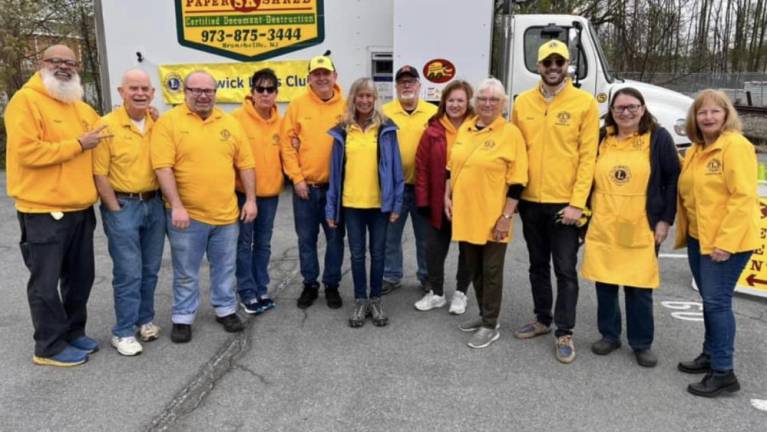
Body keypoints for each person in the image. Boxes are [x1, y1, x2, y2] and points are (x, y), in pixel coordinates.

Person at [5, 44, 106, 366]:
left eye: (70, 62)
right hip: (43, 210)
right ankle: (47, 346)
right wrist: (77, 144)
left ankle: (73, 333)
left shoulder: (77, 105)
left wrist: (147, 115)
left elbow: (106, 131)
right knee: (45, 283)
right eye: (56, 61)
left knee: (80, 278)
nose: (64, 67)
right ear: (41, 63)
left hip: (79, 209)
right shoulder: (26, 101)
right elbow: (27, 152)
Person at [151, 71, 257, 343]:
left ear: (215, 92)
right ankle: (183, 317)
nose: (202, 95)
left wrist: (252, 200)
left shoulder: (229, 123)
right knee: (186, 270)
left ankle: (225, 309)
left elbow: (245, 164)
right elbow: (163, 167)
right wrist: (176, 205)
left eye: (208, 90)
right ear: (184, 92)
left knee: (225, 267)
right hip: (188, 216)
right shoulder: (169, 123)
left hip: (226, 215)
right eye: (196, 90)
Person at [511, 39, 599, 363]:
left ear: (567, 65)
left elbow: (588, 157)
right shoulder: (522, 103)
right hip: (531, 202)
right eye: (547, 63)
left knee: (565, 269)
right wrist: (515, 196)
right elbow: (515, 151)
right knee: (537, 266)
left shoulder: (584, 103)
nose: (553, 68)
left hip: (566, 204)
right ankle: (542, 319)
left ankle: (564, 331)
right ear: (538, 66)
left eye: (558, 62)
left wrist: (578, 203)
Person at [580, 87, 680, 368]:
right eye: (619, 108)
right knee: (606, 283)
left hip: (640, 224)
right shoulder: (602, 138)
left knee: (639, 287)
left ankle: (641, 343)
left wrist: (664, 220)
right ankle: (609, 335)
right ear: (611, 112)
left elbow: (672, 179)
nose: (626, 113)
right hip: (605, 221)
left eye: (632, 107)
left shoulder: (658, 138)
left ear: (643, 108)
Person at [675, 89, 758, 397]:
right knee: (710, 301)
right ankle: (710, 354)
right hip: (700, 237)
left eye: (715, 112)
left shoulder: (735, 146)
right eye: (702, 112)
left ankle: (723, 371)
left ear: (726, 115)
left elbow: (742, 197)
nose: (708, 117)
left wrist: (725, 242)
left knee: (717, 302)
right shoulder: (698, 148)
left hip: (726, 242)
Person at [446, 78, 528, 349]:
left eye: (494, 99)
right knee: (474, 269)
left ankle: (490, 325)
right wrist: (448, 195)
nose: (488, 103)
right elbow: (452, 167)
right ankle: (483, 315)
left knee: (491, 271)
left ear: (504, 103)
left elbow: (518, 181)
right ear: (475, 102)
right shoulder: (467, 128)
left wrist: (506, 216)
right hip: (466, 213)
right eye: (483, 98)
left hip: (494, 217)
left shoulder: (510, 133)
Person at [93, 69, 165, 356]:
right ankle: (122, 332)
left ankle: (144, 320)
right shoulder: (106, 126)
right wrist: (114, 208)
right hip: (123, 206)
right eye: (133, 88)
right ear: (121, 92)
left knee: (150, 269)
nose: (140, 93)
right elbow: (100, 175)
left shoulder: (158, 123)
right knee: (128, 272)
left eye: (145, 88)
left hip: (154, 204)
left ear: (152, 93)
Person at [326, 78, 404, 327]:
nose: (364, 100)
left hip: (379, 205)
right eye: (360, 96)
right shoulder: (342, 130)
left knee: (378, 254)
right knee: (357, 255)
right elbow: (335, 172)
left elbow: (396, 170)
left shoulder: (386, 128)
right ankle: (361, 301)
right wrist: (331, 207)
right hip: (351, 205)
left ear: (375, 99)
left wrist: (396, 204)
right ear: (353, 98)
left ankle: (376, 300)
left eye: (369, 96)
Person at [281, 53, 346, 309]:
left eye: (325, 73)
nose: (321, 78)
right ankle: (310, 284)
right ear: (309, 78)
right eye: (316, 74)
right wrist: (296, 179)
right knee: (306, 239)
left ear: (334, 76)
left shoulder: (347, 105)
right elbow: (287, 144)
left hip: (335, 189)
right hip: (305, 188)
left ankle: (332, 284)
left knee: (334, 239)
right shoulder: (298, 104)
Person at [414, 80, 474, 314]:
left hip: (469, 201)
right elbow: (421, 168)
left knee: (467, 250)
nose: (455, 104)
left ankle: (461, 293)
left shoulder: (477, 128)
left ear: (468, 102)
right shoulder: (432, 131)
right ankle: (437, 293)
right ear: (443, 102)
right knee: (434, 249)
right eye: (451, 100)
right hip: (439, 201)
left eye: (460, 100)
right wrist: (423, 201)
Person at [381, 65, 438, 294]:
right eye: (402, 82)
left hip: (423, 188)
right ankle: (391, 275)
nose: (407, 85)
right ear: (396, 87)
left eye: (411, 81)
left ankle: (426, 275)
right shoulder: (384, 112)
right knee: (390, 237)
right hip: (395, 188)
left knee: (424, 238)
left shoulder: (433, 112)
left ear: (419, 86)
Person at [232, 68, 283, 315]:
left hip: (270, 195)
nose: (265, 93)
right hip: (242, 195)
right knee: (244, 244)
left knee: (263, 245)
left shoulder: (281, 122)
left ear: (276, 93)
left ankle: (261, 288)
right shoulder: (235, 119)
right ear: (252, 92)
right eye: (260, 89)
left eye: (270, 89)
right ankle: (247, 292)